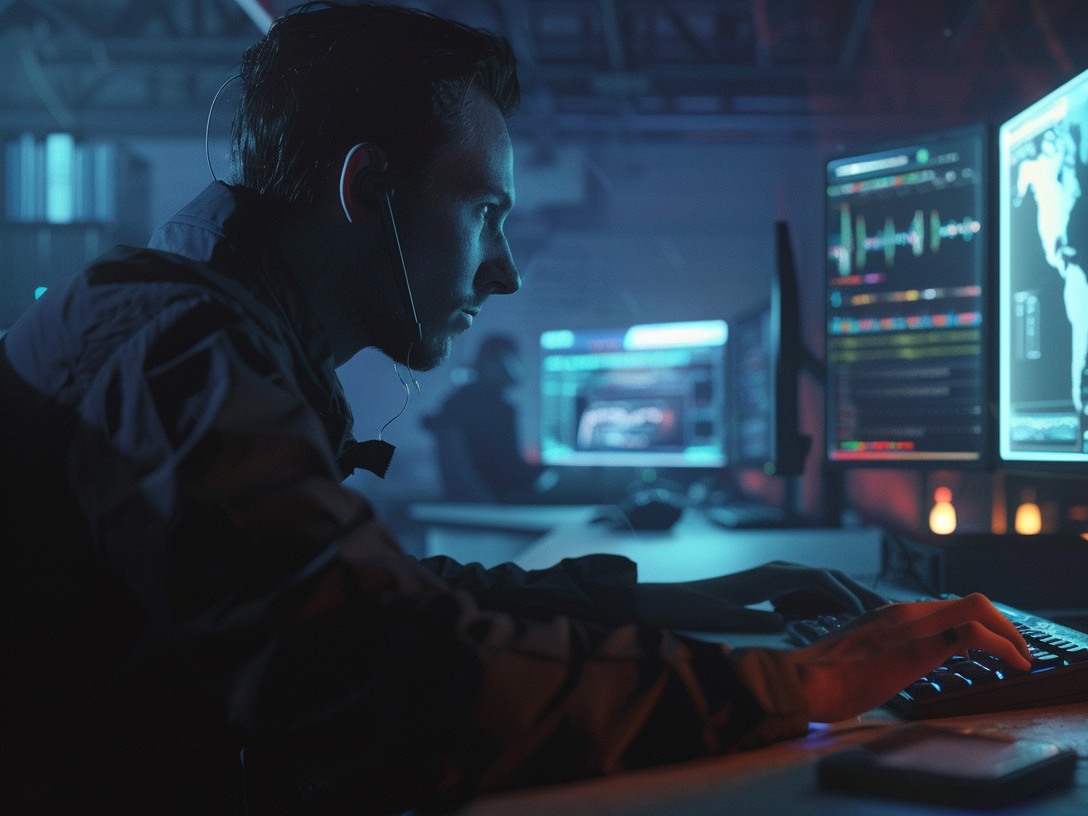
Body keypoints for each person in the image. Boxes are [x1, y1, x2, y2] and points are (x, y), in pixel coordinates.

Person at [0, 4, 1030, 813]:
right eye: (483, 211)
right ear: (367, 191)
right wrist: (792, 690)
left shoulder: (200, 330)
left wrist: (683, 600)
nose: (500, 272)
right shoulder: (176, 353)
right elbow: (388, 673)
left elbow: (387, 595)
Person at [424, 334, 545, 502]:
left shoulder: (457, 402)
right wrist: (547, 469)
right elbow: (508, 470)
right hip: (500, 498)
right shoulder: (497, 410)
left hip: (483, 497)